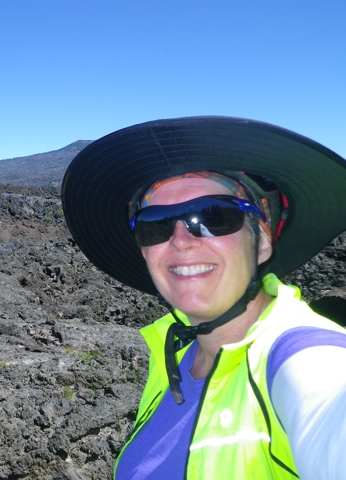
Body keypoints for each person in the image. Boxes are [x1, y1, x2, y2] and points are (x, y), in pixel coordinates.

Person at [61, 116, 346, 479]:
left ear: (261, 240)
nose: (181, 241)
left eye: (214, 216)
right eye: (155, 224)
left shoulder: (303, 358)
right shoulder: (174, 356)